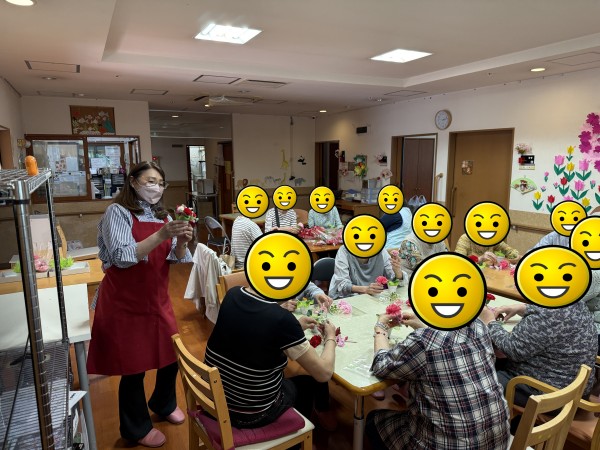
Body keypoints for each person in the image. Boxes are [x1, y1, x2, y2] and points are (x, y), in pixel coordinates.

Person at [87, 161, 193, 448]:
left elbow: (176, 258)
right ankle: (135, 428)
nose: (156, 187)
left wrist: (182, 241)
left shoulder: (162, 215)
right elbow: (122, 256)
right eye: (150, 181)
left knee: (170, 355)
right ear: (133, 182)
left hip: (156, 298)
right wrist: (162, 234)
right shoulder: (118, 212)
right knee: (133, 366)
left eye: (160, 182)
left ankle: (163, 402)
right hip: (125, 302)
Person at [366, 310, 510, 449]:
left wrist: (381, 329)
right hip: (498, 442)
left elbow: (381, 365)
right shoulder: (479, 325)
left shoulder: (422, 340)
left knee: (373, 420)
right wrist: (424, 327)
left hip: (443, 444)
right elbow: (446, 342)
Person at [204, 285, 337, 429]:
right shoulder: (281, 318)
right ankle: (296, 435)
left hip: (212, 399)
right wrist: (331, 337)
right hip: (249, 414)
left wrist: (294, 327)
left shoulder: (233, 294)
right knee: (309, 384)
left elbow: (253, 333)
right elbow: (324, 373)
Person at [480, 300, 598, 407]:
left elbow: (512, 350)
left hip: (552, 397)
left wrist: (489, 321)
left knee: (477, 381)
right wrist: (523, 308)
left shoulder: (549, 315)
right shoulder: (575, 302)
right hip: (575, 391)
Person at [328, 245, 406, 300]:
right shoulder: (344, 250)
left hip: (373, 297)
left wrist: (397, 271)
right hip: (346, 298)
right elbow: (342, 285)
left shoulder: (380, 249)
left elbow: (394, 279)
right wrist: (365, 289)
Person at [454, 232, 519, 260]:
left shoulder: (492, 238)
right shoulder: (465, 238)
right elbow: (458, 261)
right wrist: (480, 259)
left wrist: (515, 256)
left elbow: (508, 250)